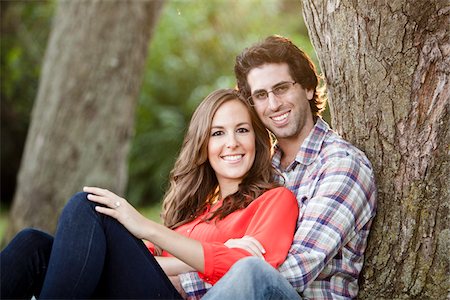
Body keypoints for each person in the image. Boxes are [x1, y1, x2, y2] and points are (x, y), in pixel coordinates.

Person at [0, 89, 299, 299]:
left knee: (88, 206)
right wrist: (190, 260)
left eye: (242, 130)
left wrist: (147, 229)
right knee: (34, 244)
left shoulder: (275, 201)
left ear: (258, 141)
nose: (231, 142)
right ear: (203, 145)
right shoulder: (196, 214)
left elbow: (252, 270)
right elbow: (144, 263)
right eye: (218, 133)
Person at [178, 36, 377, 299]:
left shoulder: (341, 164)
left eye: (281, 88)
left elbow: (293, 272)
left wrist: (184, 279)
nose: (273, 104)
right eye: (261, 95)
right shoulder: (261, 169)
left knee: (252, 271)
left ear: (307, 87)